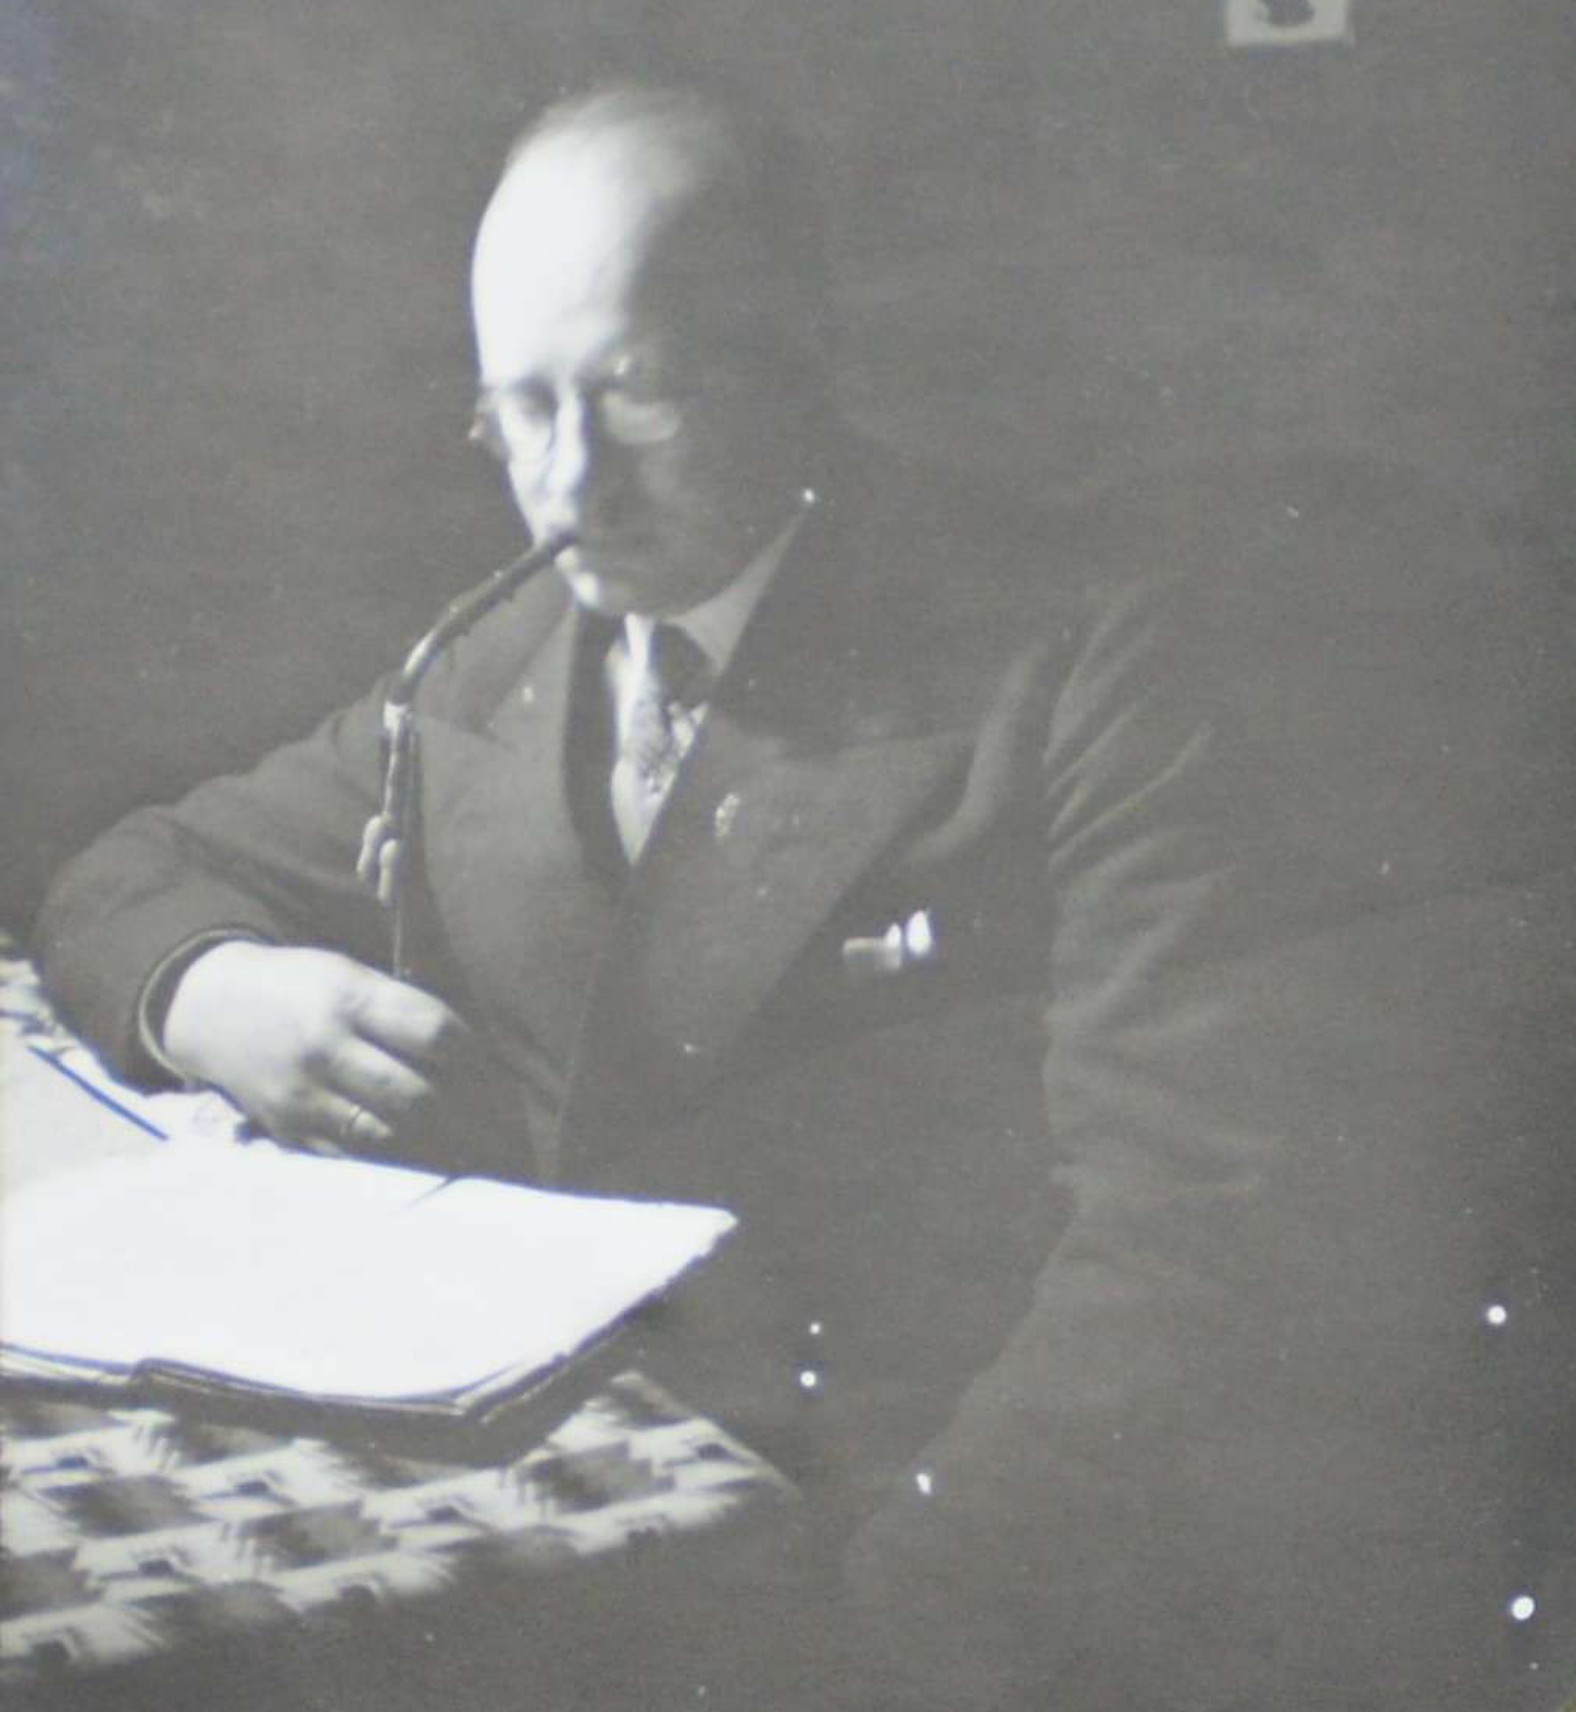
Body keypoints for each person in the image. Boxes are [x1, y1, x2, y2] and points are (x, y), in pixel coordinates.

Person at [34, 87, 1576, 1711]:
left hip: (943, 1555)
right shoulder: (488, 668)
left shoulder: (1090, 669)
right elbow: (127, 876)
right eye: (521, 411)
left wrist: (870, 1645)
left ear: (796, 351)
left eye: (640, 394)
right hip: (604, 1510)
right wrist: (210, 991)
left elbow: (1194, 1265)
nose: (571, 487)